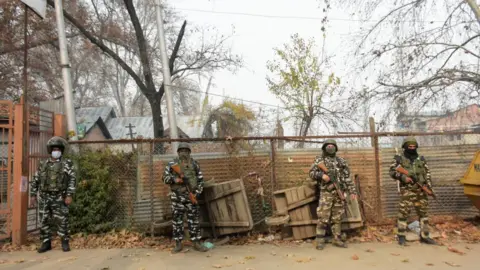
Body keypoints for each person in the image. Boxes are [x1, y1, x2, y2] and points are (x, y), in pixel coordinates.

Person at [30, 136, 76, 253]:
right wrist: (33, 194)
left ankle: (64, 242)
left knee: (62, 220)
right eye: (54, 149)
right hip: (44, 197)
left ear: (61, 151)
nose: (56, 151)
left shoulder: (67, 164)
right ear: (50, 150)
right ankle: (46, 243)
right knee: (44, 220)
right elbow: (36, 179)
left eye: (58, 149)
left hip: (60, 196)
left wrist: (69, 195)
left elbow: (72, 179)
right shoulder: (43, 164)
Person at [309, 139, 357, 250]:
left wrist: (352, 191)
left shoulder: (341, 161)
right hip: (326, 193)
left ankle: (337, 239)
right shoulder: (319, 160)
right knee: (323, 216)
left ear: (336, 147)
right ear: (324, 147)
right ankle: (320, 240)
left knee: (337, 217)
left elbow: (347, 178)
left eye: (332, 145)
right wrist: (321, 176)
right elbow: (311, 173)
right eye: (328, 145)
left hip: (339, 192)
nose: (330, 147)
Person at [389, 137, 437, 246]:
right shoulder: (399, 159)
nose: (412, 148)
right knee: (403, 214)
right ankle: (401, 236)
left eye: (414, 146)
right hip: (407, 191)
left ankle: (425, 236)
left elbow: (427, 174)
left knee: (423, 214)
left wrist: (429, 188)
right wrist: (403, 177)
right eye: (409, 146)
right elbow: (392, 172)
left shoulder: (421, 159)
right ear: (405, 147)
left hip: (421, 190)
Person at [163, 142, 208, 253]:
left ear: (189, 152)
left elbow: (201, 181)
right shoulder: (172, 164)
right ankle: (178, 244)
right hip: (177, 198)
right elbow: (164, 178)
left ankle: (196, 242)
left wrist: (196, 193)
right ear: (178, 152)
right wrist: (176, 180)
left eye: (186, 151)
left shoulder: (194, 164)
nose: (184, 153)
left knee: (194, 221)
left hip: (191, 197)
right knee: (177, 221)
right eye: (181, 151)